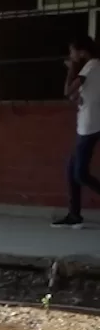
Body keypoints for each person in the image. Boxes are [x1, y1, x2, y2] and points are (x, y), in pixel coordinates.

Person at [55, 35, 100, 227]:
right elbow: (73, 96)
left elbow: (67, 90)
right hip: (85, 124)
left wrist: (71, 68)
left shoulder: (92, 66)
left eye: (72, 51)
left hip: (91, 125)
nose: (71, 55)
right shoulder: (90, 68)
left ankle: (75, 215)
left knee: (80, 174)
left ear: (82, 52)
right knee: (71, 168)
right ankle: (74, 215)